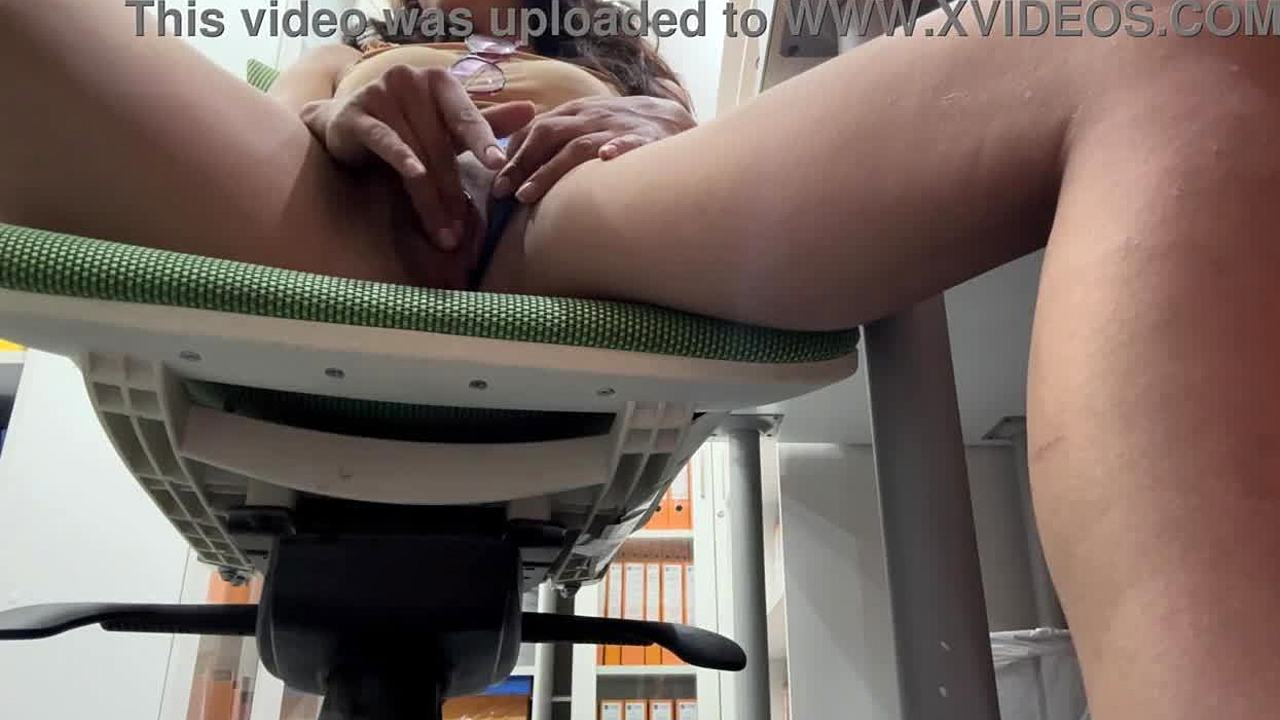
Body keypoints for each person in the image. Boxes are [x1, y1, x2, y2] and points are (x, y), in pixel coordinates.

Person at [3, 0, 1280, 719]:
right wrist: (341, 107)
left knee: (1178, 33)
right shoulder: (349, 40)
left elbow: (702, 155)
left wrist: (657, 121)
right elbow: (272, 127)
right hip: (328, 224)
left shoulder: (623, 54)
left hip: (576, 225)